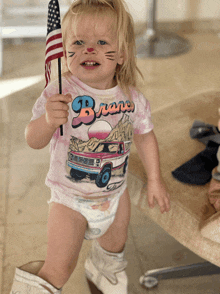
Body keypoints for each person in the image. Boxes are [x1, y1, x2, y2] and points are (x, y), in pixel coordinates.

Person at [10, 0, 170, 293]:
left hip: (115, 196)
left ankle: (102, 272)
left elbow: (145, 136)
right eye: (79, 42)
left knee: (113, 249)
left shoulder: (132, 98)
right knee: (59, 267)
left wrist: (155, 179)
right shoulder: (60, 92)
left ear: (121, 53)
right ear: (65, 48)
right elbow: (32, 139)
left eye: (101, 42)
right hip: (69, 199)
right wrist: (47, 121)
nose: (89, 49)